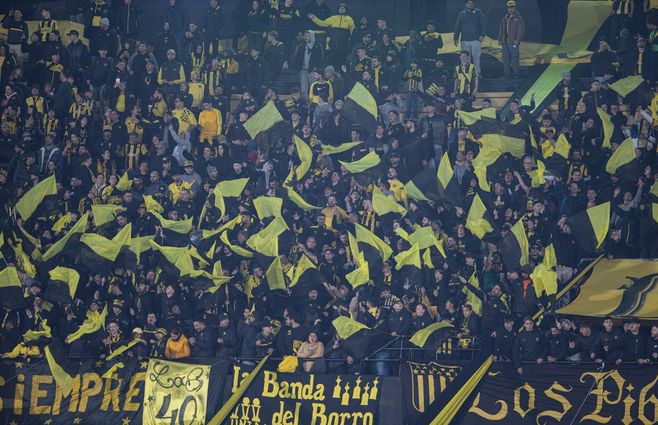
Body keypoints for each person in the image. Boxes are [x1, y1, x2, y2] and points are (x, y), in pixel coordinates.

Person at [454, 0, 486, 77]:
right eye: (469, 3)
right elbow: (458, 26)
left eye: (472, 3)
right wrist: (455, 38)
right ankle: (468, 74)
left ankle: (478, 73)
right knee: (466, 58)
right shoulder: (461, 14)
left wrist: (482, 35)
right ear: (465, 4)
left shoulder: (478, 12)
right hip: (465, 40)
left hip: (476, 39)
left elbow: (483, 24)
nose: (471, 5)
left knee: (476, 57)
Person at [498, 0, 525, 78]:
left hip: (513, 42)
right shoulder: (505, 18)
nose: (510, 9)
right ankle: (507, 74)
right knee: (506, 59)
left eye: (512, 7)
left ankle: (516, 73)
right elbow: (501, 28)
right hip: (505, 43)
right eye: (509, 8)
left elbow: (521, 30)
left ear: (515, 8)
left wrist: (517, 40)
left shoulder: (519, 18)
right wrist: (499, 38)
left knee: (515, 58)